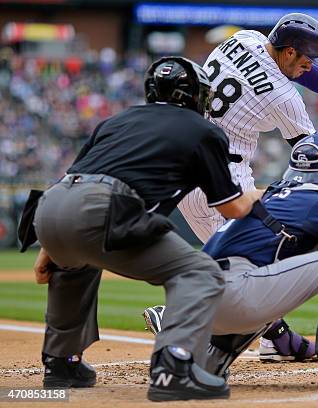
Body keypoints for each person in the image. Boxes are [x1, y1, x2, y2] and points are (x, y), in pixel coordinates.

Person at [144, 13, 318, 362]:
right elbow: (313, 152)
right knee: (267, 261)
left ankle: (274, 340)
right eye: (306, 59)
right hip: (221, 181)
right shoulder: (282, 97)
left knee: (262, 262)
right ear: (290, 52)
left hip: (190, 166)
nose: (309, 67)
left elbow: (300, 71)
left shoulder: (244, 39)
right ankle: (178, 318)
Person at [27, 56, 263, 401]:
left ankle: (61, 363)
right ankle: (174, 367)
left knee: (75, 264)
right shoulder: (204, 130)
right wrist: (261, 192)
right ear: (192, 94)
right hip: (103, 208)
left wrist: (51, 247)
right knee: (199, 272)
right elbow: (234, 207)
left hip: (50, 208)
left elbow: (72, 178)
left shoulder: (117, 120)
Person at [145, 133, 318, 391]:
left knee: (260, 277)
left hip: (197, 303)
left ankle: (202, 364)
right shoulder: (317, 199)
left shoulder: (274, 194)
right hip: (234, 295)